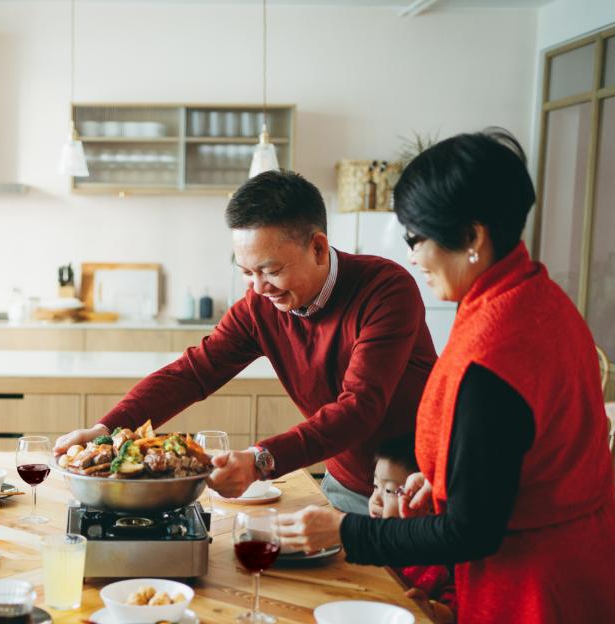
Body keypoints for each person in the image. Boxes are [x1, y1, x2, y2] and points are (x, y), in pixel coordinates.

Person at [276, 129, 615, 624]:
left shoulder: (495, 351)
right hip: (583, 573)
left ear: (473, 236)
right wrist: (440, 476)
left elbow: (475, 529)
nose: (410, 253)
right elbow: (513, 454)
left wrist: (349, 530)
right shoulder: (532, 296)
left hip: (540, 598)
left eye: (417, 236)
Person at [55, 171, 437, 513]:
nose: (258, 288)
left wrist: (260, 460)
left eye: (271, 271)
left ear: (318, 248)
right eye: (246, 272)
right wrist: (107, 429)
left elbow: (359, 406)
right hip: (341, 482)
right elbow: (192, 373)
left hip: (413, 487)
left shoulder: (386, 290)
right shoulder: (260, 306)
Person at [369, 434, 455, 624]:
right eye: (375, 486)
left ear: (426, 501)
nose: (376, 498)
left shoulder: (440, 561)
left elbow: (453, 611)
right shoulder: (375, 538)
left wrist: (432, 609)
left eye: (389, 491)